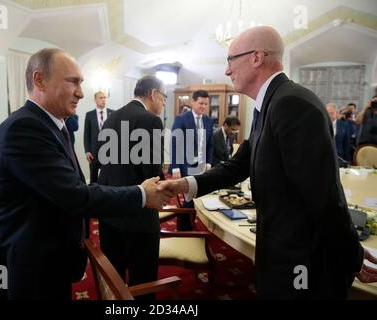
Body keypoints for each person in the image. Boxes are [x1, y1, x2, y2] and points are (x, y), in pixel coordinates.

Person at [159, 26, 377, 299]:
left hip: (301, 261)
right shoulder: (270, 105)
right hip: (279, 250)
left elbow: (324, 196)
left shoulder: (293, 104)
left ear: (257, 57)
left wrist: (352, 255)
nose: (226, 71)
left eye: (230, 60)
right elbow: (237, 166)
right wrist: (185, 184)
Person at [0, 48, 170, 300]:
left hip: (47, 262)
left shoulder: (53, 125)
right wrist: (142, 194)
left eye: (81, 82)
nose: (81, 92)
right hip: (18, 271)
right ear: (39, 80)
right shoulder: (24, 127)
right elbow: (75, 195)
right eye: (72, 81)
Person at [97, 75, 166, 299]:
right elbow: (152, 174)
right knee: (143, 283)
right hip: (139, 217)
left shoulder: (111, 117)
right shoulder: (151, 120)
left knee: (115, 282)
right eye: (164, 98)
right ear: (154, 94)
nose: (163, 103)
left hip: (109, 212)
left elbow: (103, 162)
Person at [169, 90, 214, 230]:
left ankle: (191, 224)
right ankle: (183, 229)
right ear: (193, 102)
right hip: (185, 165)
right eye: (201, 103)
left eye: (206, 104)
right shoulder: (182, 119)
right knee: (188, 198)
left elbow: (210, 144)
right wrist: (175, 167)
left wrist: (208, 162)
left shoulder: (208, 120)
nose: (203, 106)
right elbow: (175, 144)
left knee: (197, 197)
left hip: (201, 166)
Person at [84, 91, 113, 183]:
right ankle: (93, 196)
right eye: (100, 98)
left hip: (109, 151)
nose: (103, 100)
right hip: (94, 152)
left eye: (104, 97)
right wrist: (87, 151)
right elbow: (86, 134)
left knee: (109, 176)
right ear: (95, 100)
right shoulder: (89, 115)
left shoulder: (113, 113)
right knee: (93, 177)